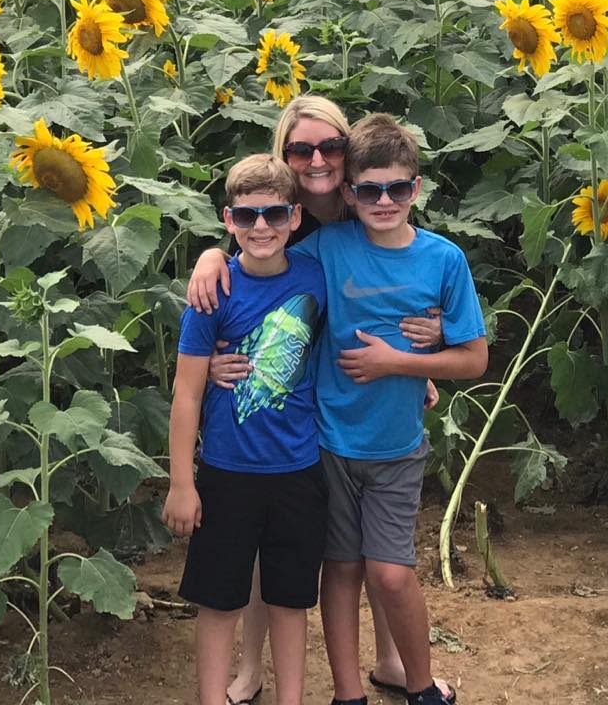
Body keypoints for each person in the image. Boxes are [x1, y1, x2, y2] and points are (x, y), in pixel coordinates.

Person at [187, 96, 446, 705]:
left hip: (361, 398)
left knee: (363, 543)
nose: (317, 159)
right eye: (301, 149)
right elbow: (250, 269)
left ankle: (385, 659)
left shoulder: (370, 205)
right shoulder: (278, 217)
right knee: (284, 542)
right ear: (284, 157)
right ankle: (251, 669)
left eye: (330, 146)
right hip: (298, 412)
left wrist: (419, 358)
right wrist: (208, 257)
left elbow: (392, 288)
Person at [293, 113, 488, 705]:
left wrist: (399, 364)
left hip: (397, 445)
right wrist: (208, 268)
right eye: (370, 189)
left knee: (391, 573)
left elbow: (474, 359)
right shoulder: (327, 246)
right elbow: (262, 270)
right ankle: (349, 692)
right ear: (350, 193)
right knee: (342, 571)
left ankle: (420, 683)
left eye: (397, 188)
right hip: (331, 441)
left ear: (416, 190)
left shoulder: (443, 259)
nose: (384, 200)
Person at [163, 154, 328, 705]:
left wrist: (416, 375)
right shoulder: (213, 293)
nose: (262, 227)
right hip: (228, 472)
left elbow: (350, 334)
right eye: (248, 216)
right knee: (220, 600)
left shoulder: (316, 278)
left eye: (275, 214)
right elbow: (186, 393)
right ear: (228, 219)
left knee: (290, 600)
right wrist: (181, 482)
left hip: (299, 469)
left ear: (296, 217)